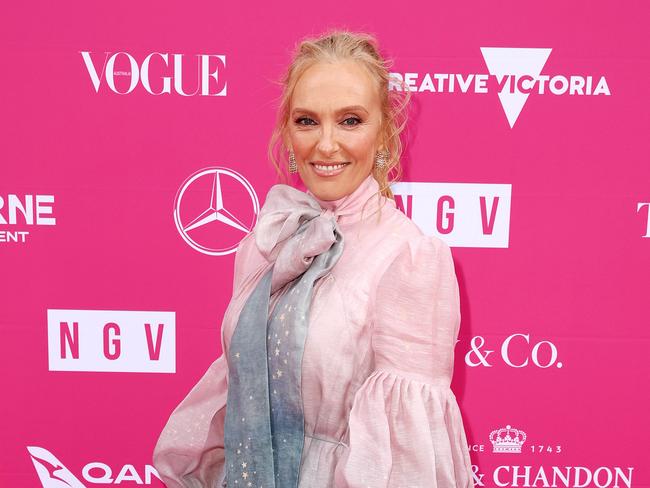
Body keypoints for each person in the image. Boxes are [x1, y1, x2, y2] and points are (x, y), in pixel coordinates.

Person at [153, 30, 475, 488]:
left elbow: (407, 461)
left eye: (349, 120)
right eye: (307, 121)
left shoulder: (408, 258)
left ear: (384, 130)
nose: (326, 145)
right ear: (287, 130)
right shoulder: (270, 239)